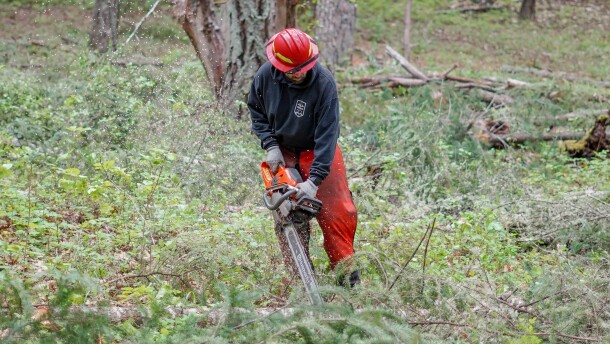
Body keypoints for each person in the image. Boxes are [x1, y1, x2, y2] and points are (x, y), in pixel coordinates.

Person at [248, 28, 360, 288]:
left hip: (318, 152)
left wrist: (314, 181)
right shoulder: (265, 76)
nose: (300, 72)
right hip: (283, 153)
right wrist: (271, 146)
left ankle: (348, 280)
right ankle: (301, 285)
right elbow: (256, 110)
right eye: (294, 69)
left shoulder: (323, 84)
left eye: (304, 67)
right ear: (280, 65)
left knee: (338, 213)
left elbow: (328, 135)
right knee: (287, 215)